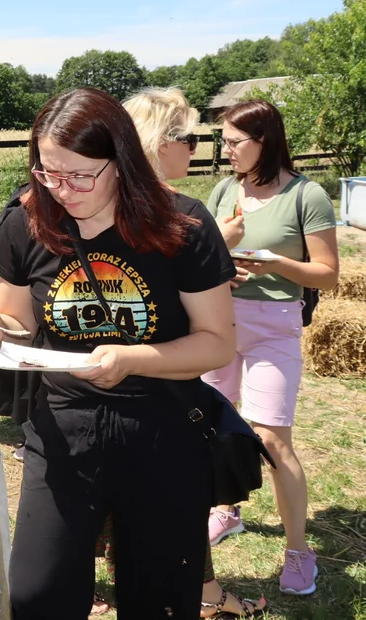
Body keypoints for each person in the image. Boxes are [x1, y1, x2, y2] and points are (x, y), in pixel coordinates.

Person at [0, 88, 237, 619]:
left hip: (163, 429)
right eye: (47, 172)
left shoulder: (184, 224)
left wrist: (132, 359)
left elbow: (217, 342)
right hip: (63, 429)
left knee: (155, 601)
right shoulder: (28, 221)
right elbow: (18, 318)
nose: (61, 190)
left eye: (79, 175)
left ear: (123, 160)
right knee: (38, 597)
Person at [124, 86, 266, 617]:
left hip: (133, 382)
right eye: (189, 138)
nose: (197, 149)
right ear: (160, 142)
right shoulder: (179, 214)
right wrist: (217, 248)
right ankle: (206, 597)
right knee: (177, 500)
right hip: (162, 385)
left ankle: (200, 594)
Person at [203, 100, 339, 597]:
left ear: (265, 140)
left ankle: (299, 550)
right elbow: (206, 256)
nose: (226, 151)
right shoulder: (223, 190)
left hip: (274, 325)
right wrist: (227, 267)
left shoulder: (308, 196)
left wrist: (274, 263)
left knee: (273, 438)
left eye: (235, 142)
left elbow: (328, 273)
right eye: (224, 141)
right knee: (211, 427)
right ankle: (225, 510)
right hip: (219, 321)